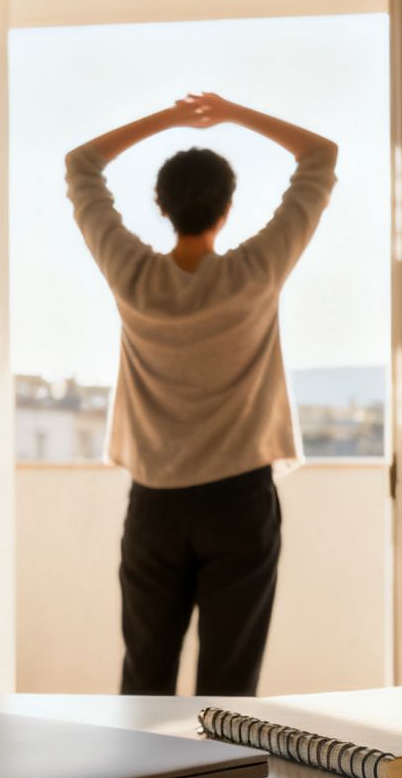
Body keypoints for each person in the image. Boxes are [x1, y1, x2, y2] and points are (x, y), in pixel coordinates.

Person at [65, 92, 339, 696]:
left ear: (161, 206)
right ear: (228, 208)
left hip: (155, 505)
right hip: (239, 502)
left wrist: (169, 116)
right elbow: (320, 158)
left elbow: (81, 164)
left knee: (144, 677)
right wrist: (231, 112)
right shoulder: (255, 273)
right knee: (231, 687)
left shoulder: (133, 277)